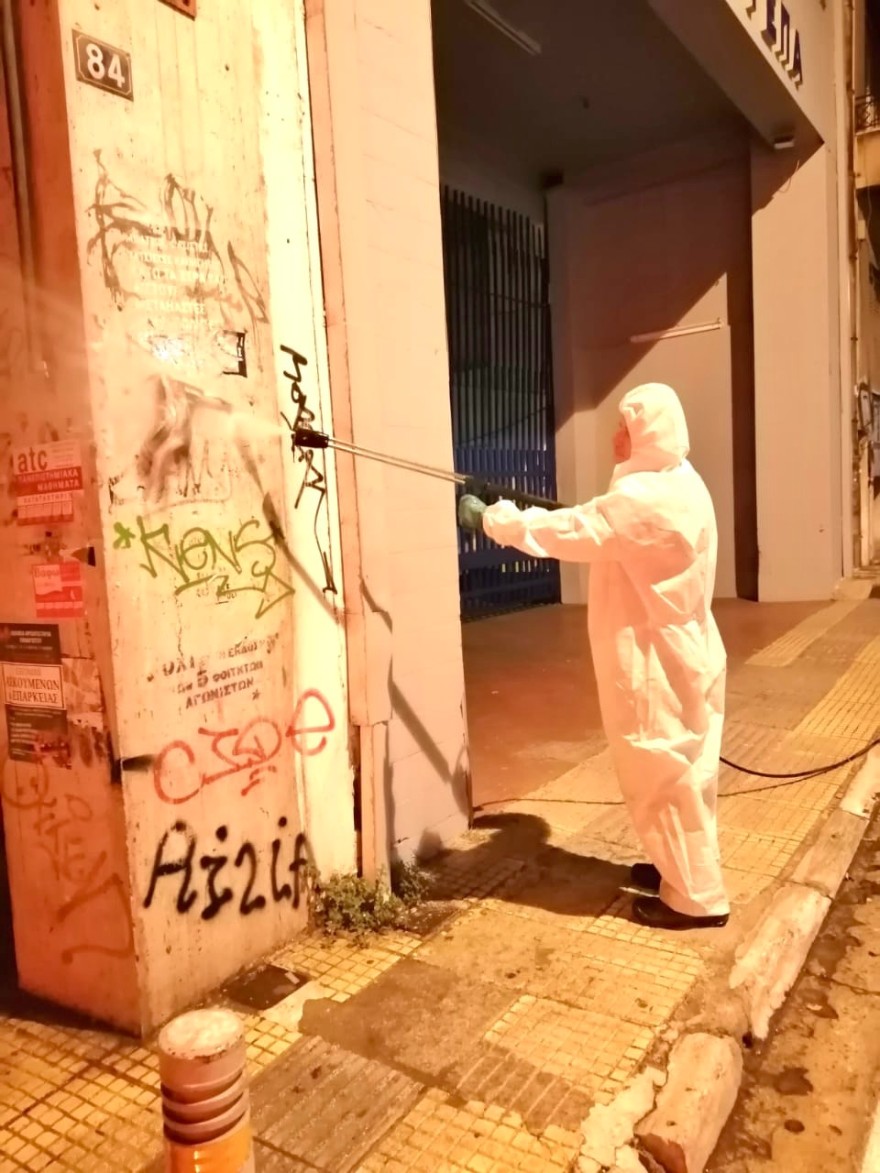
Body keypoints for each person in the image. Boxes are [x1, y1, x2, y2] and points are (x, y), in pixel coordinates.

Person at [458, 383, 729, 930]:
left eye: (625, 428)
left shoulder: (645, 499)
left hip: (654, 662)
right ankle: (679, 870)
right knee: (686, 770)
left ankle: (696, 899)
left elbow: (572, 531)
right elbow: (601, 523)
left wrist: (491, 519)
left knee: (660, 770)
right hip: (685, 648)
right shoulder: (680, 480)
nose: (616, 438)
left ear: (648, 433)